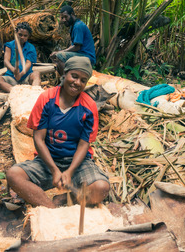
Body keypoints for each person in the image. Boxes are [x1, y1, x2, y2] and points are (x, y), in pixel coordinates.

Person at [6, 56, 110, 208]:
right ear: (64, 74)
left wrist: (69, 171)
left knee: (101, 188)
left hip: (78, 163)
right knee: (13, 175)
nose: (77, 83)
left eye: (83, 80)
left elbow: (83, 145)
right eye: (74, 76)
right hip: (48, 160)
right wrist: (54, 170)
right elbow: (39, 139)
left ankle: (66, 200)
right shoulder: (46, 99)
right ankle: (50, 208)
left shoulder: (89, 106)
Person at [0, 22, 41, 93]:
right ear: (16, 33)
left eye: (25, 36)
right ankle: (16, 92)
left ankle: (35, 93)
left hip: (26, 77)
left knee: (36, 74)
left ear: (28, 36)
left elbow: (28, 63)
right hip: (11, 78)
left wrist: (21, 74)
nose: (22, 37)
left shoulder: (31, 47)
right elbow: (6, 61)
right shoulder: (9, 45)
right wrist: (14, 71)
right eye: (20, 35)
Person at [50, 5, 96, 75]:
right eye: (62, 18)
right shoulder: (74, 26)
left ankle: (65, 80)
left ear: (72, 14)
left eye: (66, 17)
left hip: (86, 56)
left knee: (59, 56)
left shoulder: (78, 26)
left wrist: (59, 52)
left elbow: (77, 47)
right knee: (58, 57)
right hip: (81, 55)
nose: (64, 20)